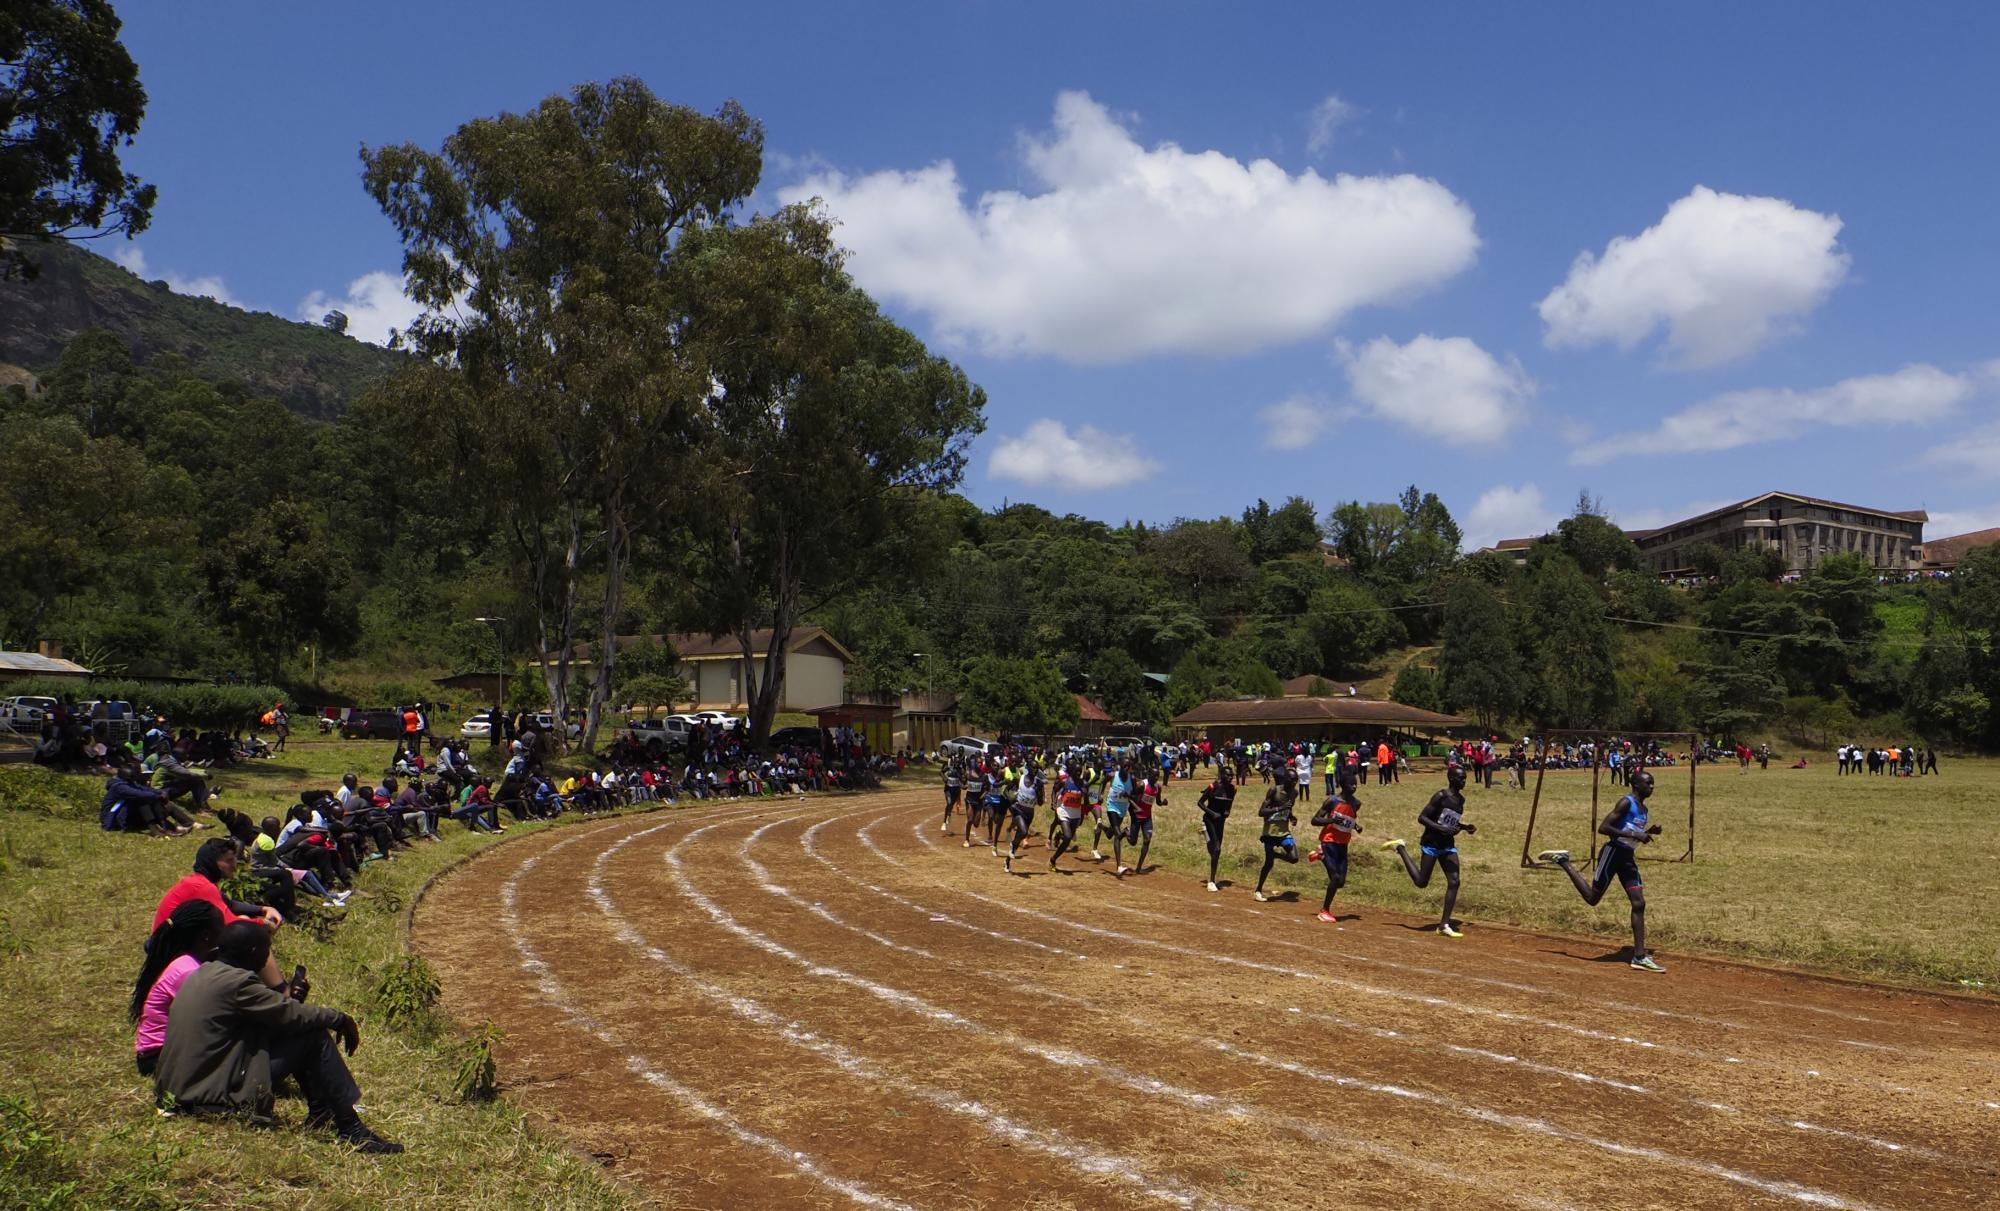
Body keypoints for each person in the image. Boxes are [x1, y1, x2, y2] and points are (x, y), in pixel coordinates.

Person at [153, 921, 400, 1152]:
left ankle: (321, 1113)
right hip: (210, 1096)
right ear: (252, 951)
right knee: (313, 1035)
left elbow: (275, 1018)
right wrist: (339, 1018)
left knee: (301, 1031)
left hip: (180, 1090)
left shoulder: (204, 973)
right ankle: (351, 1128)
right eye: (266, 949)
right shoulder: (238, 983)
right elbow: (292, 1014)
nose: (267, 956)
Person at [1539, 768, 1667, 972]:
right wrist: (1636, 834)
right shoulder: (1626, 802)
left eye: (1652, 783)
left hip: (1627, 859)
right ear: (1636, 784)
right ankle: (1564, 861)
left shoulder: (1644, 809)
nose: (1651, 787)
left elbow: (1631, 833)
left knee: (1639, 902)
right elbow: (1605, 828)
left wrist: (1649, 832)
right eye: (1648, 783)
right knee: (1592, 898)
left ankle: (1639, 957)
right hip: (1613, 853)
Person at [131, 901, 224, 1076]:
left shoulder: (183, 960)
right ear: (206, 936)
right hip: (159, 1057)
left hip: (159, 1052)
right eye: (222, 929)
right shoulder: (187, 971)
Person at [1380, 766, 1475, 938]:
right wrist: (1441, 829)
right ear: (1452, 779)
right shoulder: (1441, 796)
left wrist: (1464, 827)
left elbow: (1450, 822)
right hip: (1431, 843)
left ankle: (1444, 924)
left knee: (1454, 881)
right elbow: (1422, 818)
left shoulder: (1461, 800)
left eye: (1465, 778)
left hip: (1447, 845)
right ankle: (1400, 848)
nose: (1464, 781)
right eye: (1461, 778)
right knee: (1421, 882)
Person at [153, 839, 282, 934]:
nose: (235, 865)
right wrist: (264, 923)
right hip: (168, 952)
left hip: (167, 944)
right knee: (244, 930)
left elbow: (230, 905)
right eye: (229, 860)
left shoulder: (198, 881)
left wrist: (264, 909)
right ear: (212, 862)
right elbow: (232, 923)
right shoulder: (202, 887)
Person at [1309, 776, 1362, 923]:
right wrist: (1331, 820)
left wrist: (1356, 826)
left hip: (1343, 843)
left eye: (1355, 784)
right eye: (1351, 783)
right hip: (1329, 840)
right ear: (1342, 784)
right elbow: (1315, 820)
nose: (1354, 787)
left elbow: (1349, 819)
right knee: (1336, 878)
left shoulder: (1356, 803)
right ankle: (1324, 910)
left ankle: (1321, 856)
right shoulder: (1332, 801)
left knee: (1341, 882)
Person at [1252, 772, 1300, 902]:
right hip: (1270, 831)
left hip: (1284, 831)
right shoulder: (1274, 790)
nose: (1294, 782)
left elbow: (1288, 809)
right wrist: (1280, 808)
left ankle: (1276, 855)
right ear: (1285, 779)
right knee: (1268, 863)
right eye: (1291, 779)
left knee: (1294, 857)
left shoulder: (1294, 793)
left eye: (1296, 780)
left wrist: (1291, 817)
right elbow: (1261, 812)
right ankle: (1258, 890)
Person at [1196, 765, 1237, 893]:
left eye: (1232, 775)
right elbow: (1200, 803)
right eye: (1228, 775)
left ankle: (1206, 837)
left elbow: (1229, 804)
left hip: (1220, 822)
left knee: (1214, 851)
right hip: (1209, 819)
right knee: (1217, 849)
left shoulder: (1232, 789)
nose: (1230, 778)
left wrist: (1227, 812)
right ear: (1221, 775)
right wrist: (1212, 813)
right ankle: (1212, 881)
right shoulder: (1213, 787)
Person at [941, 758, 963, 833]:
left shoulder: (960, 771)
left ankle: (949, 815)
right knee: (949, 803)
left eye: (958, 763)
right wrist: (944, 778)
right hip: (948, 790)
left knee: (951, 805)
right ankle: (944, 822)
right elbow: (941, 772)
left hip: (955, 791)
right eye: (955, 762)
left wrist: (963, 783)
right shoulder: (949, 767)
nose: (956, 764)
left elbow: (962, 780)